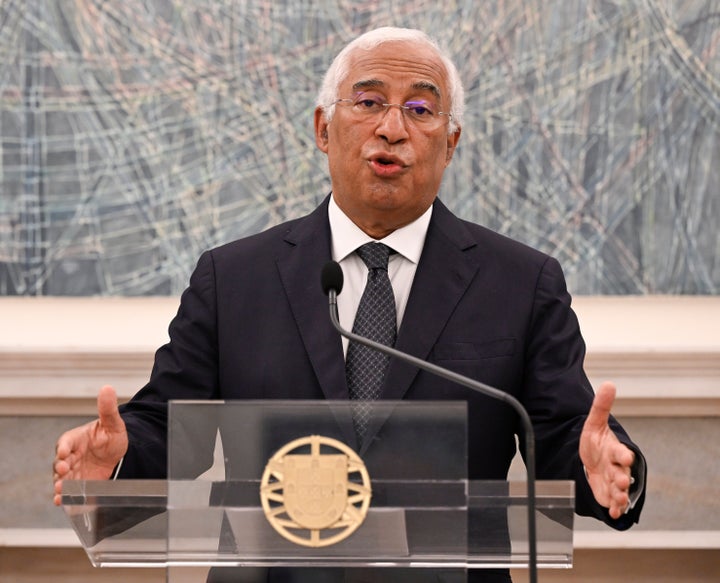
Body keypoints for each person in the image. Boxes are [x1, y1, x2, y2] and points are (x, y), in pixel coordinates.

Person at [53, 27, 646, 582]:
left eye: (420, 108)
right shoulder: (234, 276)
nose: (392, 128)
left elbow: (564, 430)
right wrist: (120, 459)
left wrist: (602, 469)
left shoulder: (521, 282)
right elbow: (171, 426)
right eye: (367, 103)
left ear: (451, 141)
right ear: (322, 128)